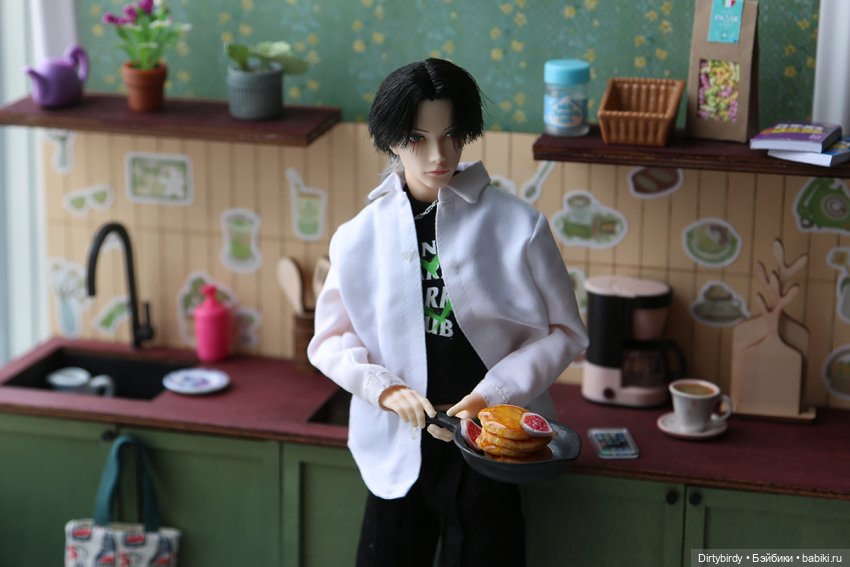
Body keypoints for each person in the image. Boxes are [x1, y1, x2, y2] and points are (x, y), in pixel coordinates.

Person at [307, 58, 588, 567]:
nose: (438, 155)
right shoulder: (358, 236)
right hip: (397, 442)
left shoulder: (517, 226)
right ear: (392, 140)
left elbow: (565, 332)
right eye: (417, 138)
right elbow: (329, 339)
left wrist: (492, 393)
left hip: (488, 441)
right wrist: (382, 388)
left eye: (451, 135)